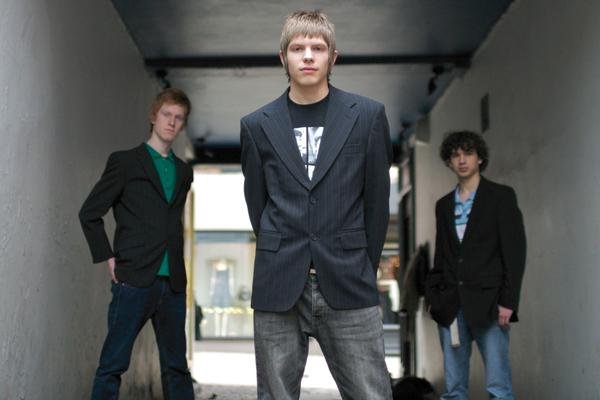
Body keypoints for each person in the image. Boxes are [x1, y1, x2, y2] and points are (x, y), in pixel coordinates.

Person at [240, 10, 393, 400]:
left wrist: (362, 262)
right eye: (297, 48)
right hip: (279, 282)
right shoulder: (257, 125)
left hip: (348, 279)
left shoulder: (368, 117)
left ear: (332, 57)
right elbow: (257, 202)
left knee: (371, 393)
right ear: (283, 58)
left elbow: (377, 203)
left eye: (318, 48)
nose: (307, 55)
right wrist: (281, 247)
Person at [79, 88, 195, 400]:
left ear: (183, 125)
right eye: (167, 114)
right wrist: (107, 257)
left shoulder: (184, 172)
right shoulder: (125, 162)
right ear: (154, 116)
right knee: (113, 364)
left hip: (173, 283)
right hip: (133, 279)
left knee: (177, 368)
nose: (171, 122)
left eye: (179, 118)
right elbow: (89, 213)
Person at [425, 130, 526, 399]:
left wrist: (509, 301)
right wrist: (434, 297)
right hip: (451, 305)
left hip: (490, 304)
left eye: (468, 153)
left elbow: (515, 252)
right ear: (449, 161)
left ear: (479, 158)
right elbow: (442, 255)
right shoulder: (444, 205)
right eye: (455, 155)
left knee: (499, 388)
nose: (462, 160)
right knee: (454, 390)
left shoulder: (501, 197)